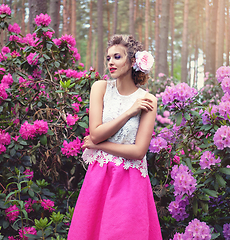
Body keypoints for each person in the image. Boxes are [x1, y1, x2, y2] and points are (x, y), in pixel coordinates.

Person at [68, 35, 162, 240]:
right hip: (99, 177)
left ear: (132, 62)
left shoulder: (148, 100)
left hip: (131, 181)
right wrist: (130, 112)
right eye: (108, 57)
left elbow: (138, 152)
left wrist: (99, 146)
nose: (110, 62)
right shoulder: (100, 88)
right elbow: (95, 133)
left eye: (117, 57)